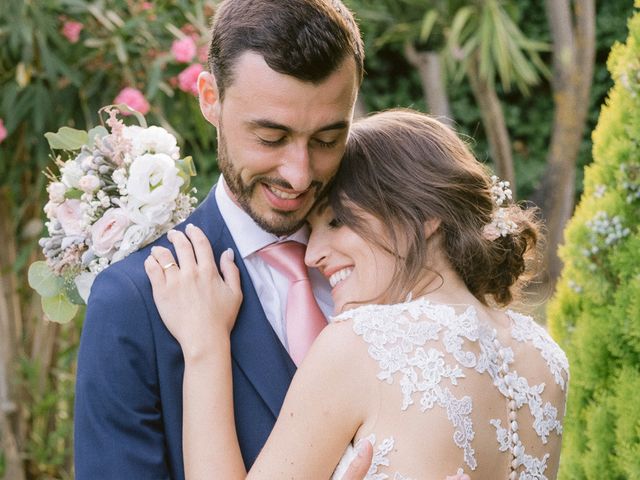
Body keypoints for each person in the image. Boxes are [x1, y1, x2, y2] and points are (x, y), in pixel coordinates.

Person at [146, 110, 569, 479]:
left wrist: (205, 347)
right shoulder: (545, 358)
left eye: (335, 222)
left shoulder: (365, 343)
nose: (312, 255)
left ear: (424, 217)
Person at [74, 1, 373, 478]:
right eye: (271, 138)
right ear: (210, 98)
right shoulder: (132, 303)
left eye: (326, 139)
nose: (299, 175)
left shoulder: (397, 264)